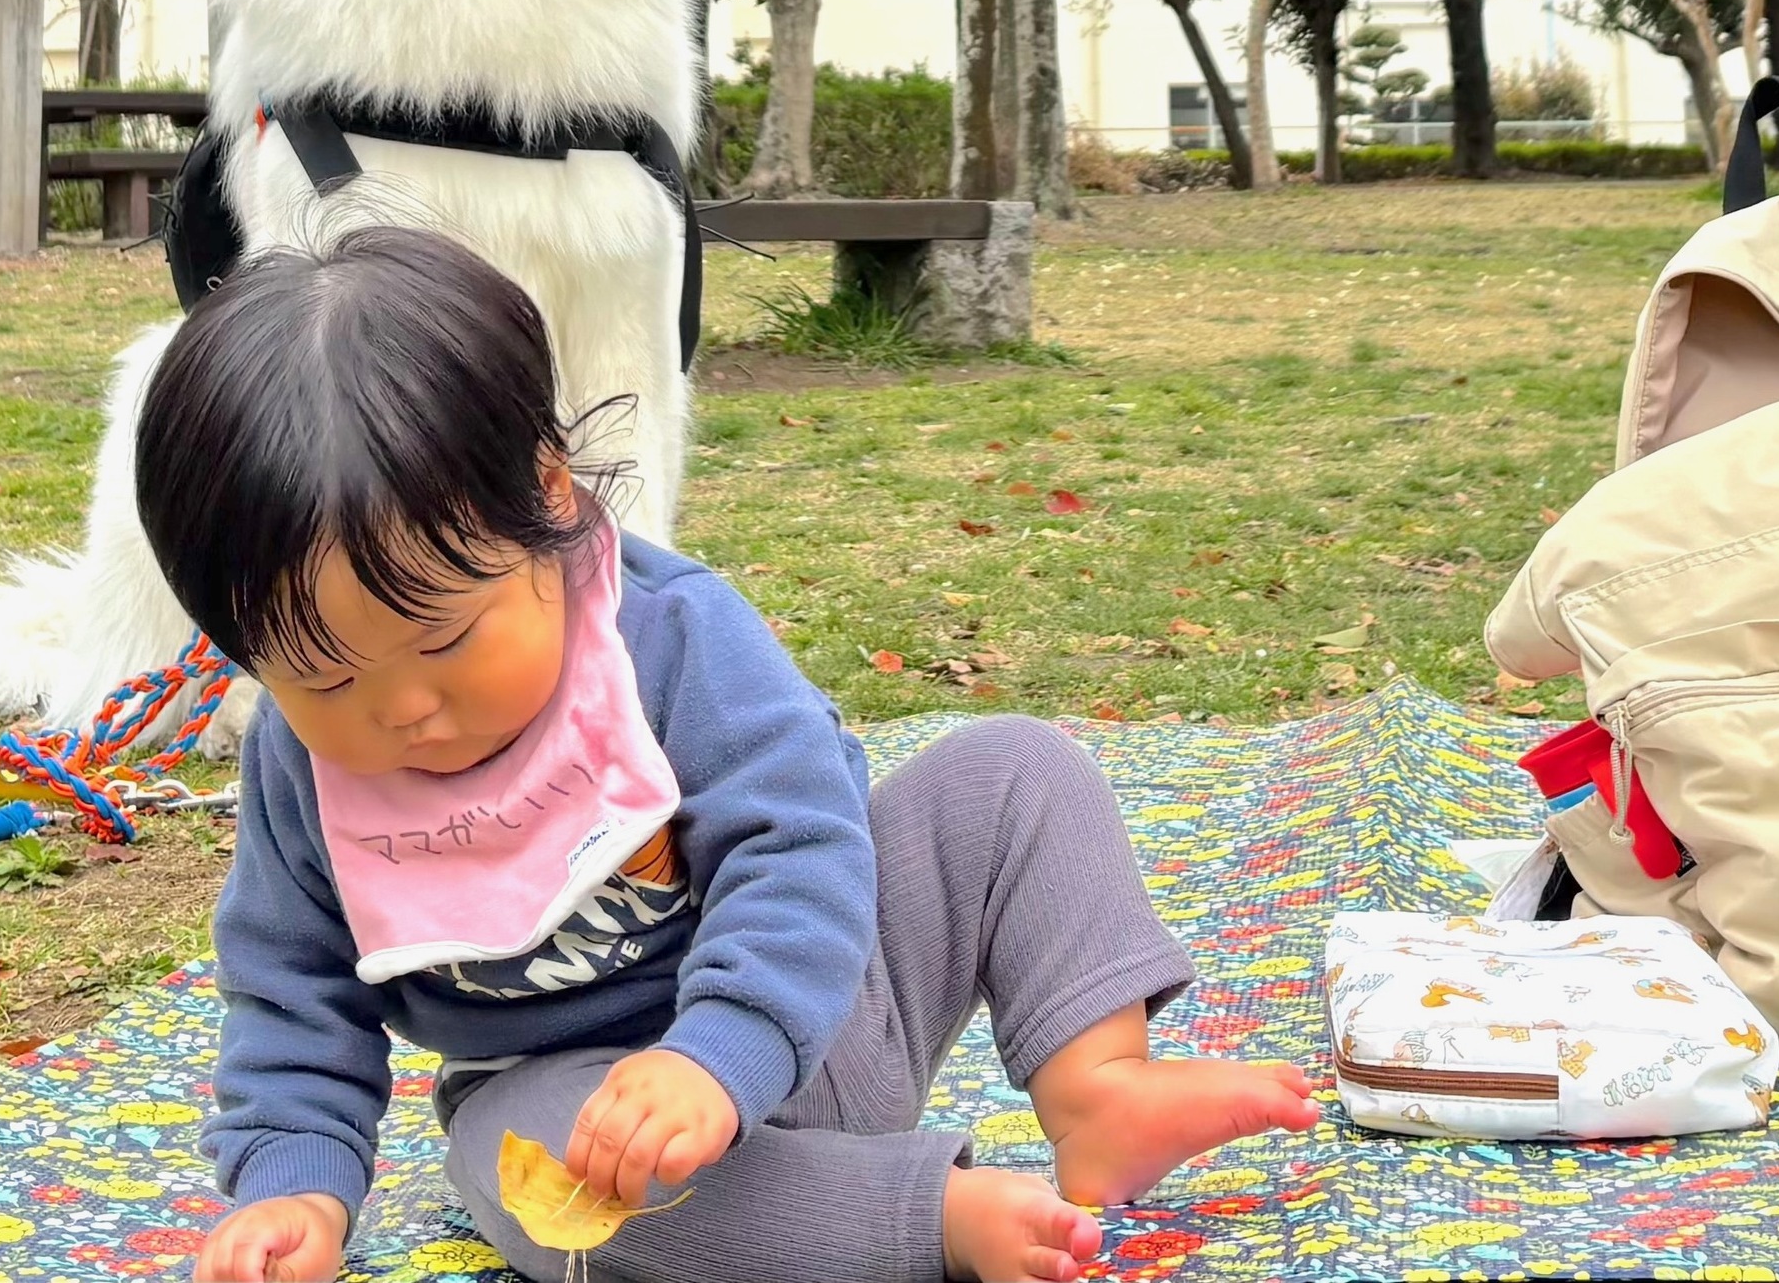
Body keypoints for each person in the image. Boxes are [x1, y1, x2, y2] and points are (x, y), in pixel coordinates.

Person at [133, 224, 1318, 1283]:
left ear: (548, 498)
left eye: (445, 638)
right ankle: (920, 1219)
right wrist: (293, 1187)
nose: (403, 709)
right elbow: (290, 992)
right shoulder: (304, 769)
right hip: (588, 1106)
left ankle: (1099, 1090)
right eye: (324, 675)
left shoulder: (671, 637)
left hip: (822, 1000)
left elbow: (800, 847)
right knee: (532, 1177)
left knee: (1015, 773)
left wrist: (718, 1055)